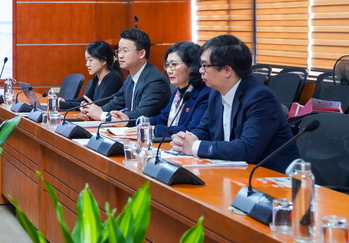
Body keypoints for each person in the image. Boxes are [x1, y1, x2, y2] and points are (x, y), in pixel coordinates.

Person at [171, 34, 299, 172]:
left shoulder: (260, 98)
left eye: (205, 65)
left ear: (227, 70)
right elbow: (205, 129)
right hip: (234, 170)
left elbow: (248, 149)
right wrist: (186, 139)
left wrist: (195, 146)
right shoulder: (216, 93)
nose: (200, 70)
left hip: (270, 176)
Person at [110, 41, 209, 138]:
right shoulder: (177, 93)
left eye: (174, 64)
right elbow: (161, 119)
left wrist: (154, 130)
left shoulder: (204, 94)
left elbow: (192, 130)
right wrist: (128, 120)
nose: (169, 70)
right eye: (167, 65)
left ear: (191, 66)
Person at [82, 28, 171, 121]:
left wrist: (102, 115)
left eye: (125, 51)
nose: (120, 56)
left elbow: (140, 115)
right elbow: (117, 102)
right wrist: (93, 112)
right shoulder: (130, 78)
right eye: (119, 51)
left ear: (141, 53)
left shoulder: (155, 81)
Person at [60, 40, 123, 110]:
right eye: (86, 60)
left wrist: (64, 104)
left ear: (103, 61)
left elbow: (99, 105)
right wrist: (65, 101)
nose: (87, 64)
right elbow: (86, 99)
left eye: (90, 60)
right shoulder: (97, 78)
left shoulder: (113, 78)